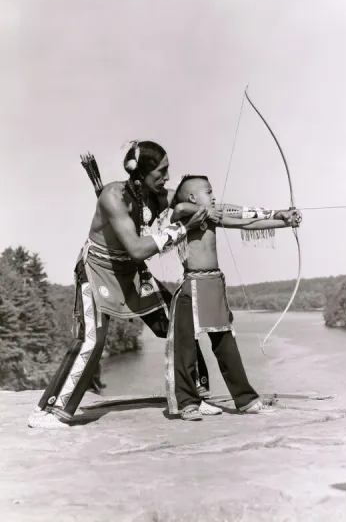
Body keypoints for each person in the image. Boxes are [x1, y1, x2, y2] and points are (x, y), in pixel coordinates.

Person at [28, 141, 219, 429]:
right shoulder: (112, 196)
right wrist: (182, 227)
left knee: (178, 322)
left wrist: (272, 216)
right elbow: (138, 249)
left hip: (131, 273)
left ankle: (192, 396)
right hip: (98, 270)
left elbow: (199, 207)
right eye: (161, 171)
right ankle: (50, 411)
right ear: (141, 173)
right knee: (92, 339)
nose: (167, 177)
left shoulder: (156, 196)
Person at [164, 174, 302, 421]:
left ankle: (245, 400)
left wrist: (283, 220)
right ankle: (188, 403)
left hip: (213, 284)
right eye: (208, 191)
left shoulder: (214, 214)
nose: (213, 196)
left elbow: (246, 221)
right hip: (190, 286)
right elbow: (178, 208)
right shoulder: (186, 214)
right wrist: (205, 211)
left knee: (226, 346)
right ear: (194, 196)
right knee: (184, 349)